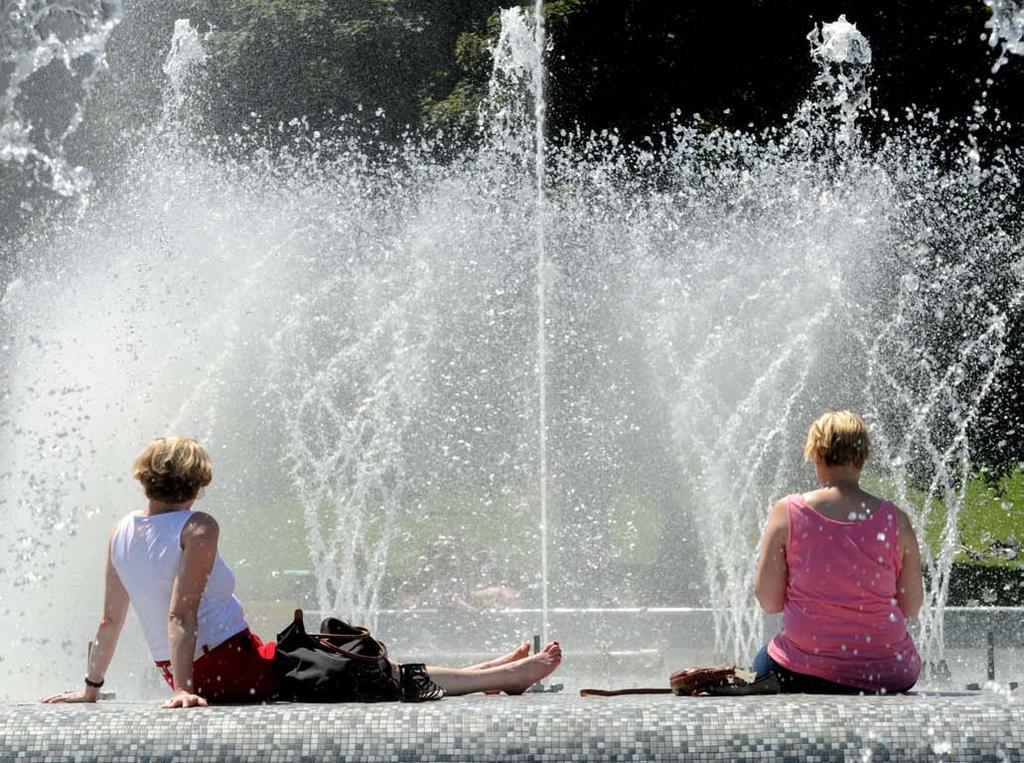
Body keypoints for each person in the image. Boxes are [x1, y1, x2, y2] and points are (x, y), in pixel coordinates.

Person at [43, 436, 562, 708]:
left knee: (356, 658)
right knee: (367, 667)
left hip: (221, 664)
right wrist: (184, 690)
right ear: (197, 483)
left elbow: (109, 623)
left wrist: (91, 686)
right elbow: (181, 614)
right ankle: (507, 676)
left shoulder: (121, 531)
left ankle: (492, 673)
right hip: (229, 668)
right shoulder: (196, 527)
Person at [752, 410, 923, 693]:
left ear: (815, 454)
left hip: (802, 670)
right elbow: (912, 607)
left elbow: (769, 602)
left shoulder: (788, 512)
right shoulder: (896, 520)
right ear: (863, 456)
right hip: (890, 672)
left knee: (761, 663)